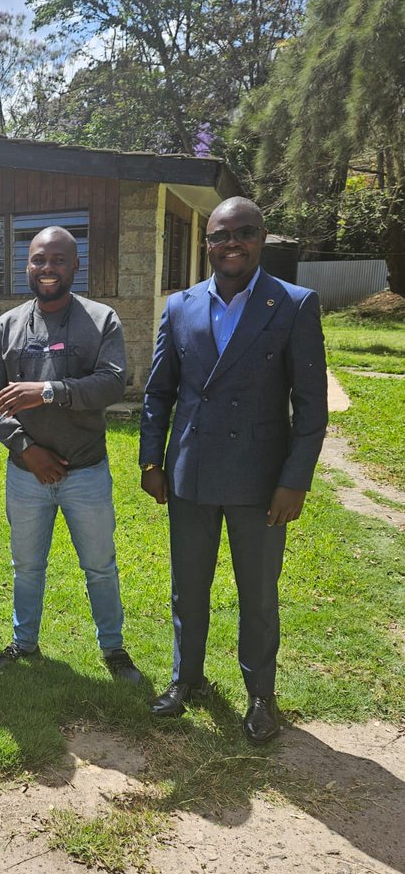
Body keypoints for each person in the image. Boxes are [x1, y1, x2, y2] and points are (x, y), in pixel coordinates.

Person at [139, 196, 328, 743]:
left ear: (261, 238)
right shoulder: (180, 307)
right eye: (221, 235)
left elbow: (310, 405)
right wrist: (152, 459)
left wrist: (295, 480)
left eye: (243, 233)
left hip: (261, 480)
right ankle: (186, 679)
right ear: (208, 244)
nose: (231, 243)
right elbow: (159, 394)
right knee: (188, 588)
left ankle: (260, 695)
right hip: (191, 474)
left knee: (258, 596)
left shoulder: (292, 304)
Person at [0, 226, 140, 681]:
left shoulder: (101, 319)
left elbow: (112, 382)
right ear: (26, 265)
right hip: (27, 475)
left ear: (75, 265)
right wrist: (27, 450)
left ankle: (113, 648)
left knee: (100, 566)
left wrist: (48, 391)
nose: (46, 269)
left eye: (57, 260)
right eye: (38, 260)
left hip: (85, 471)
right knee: (27, 567)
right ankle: (24, 642)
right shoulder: (7, 325)